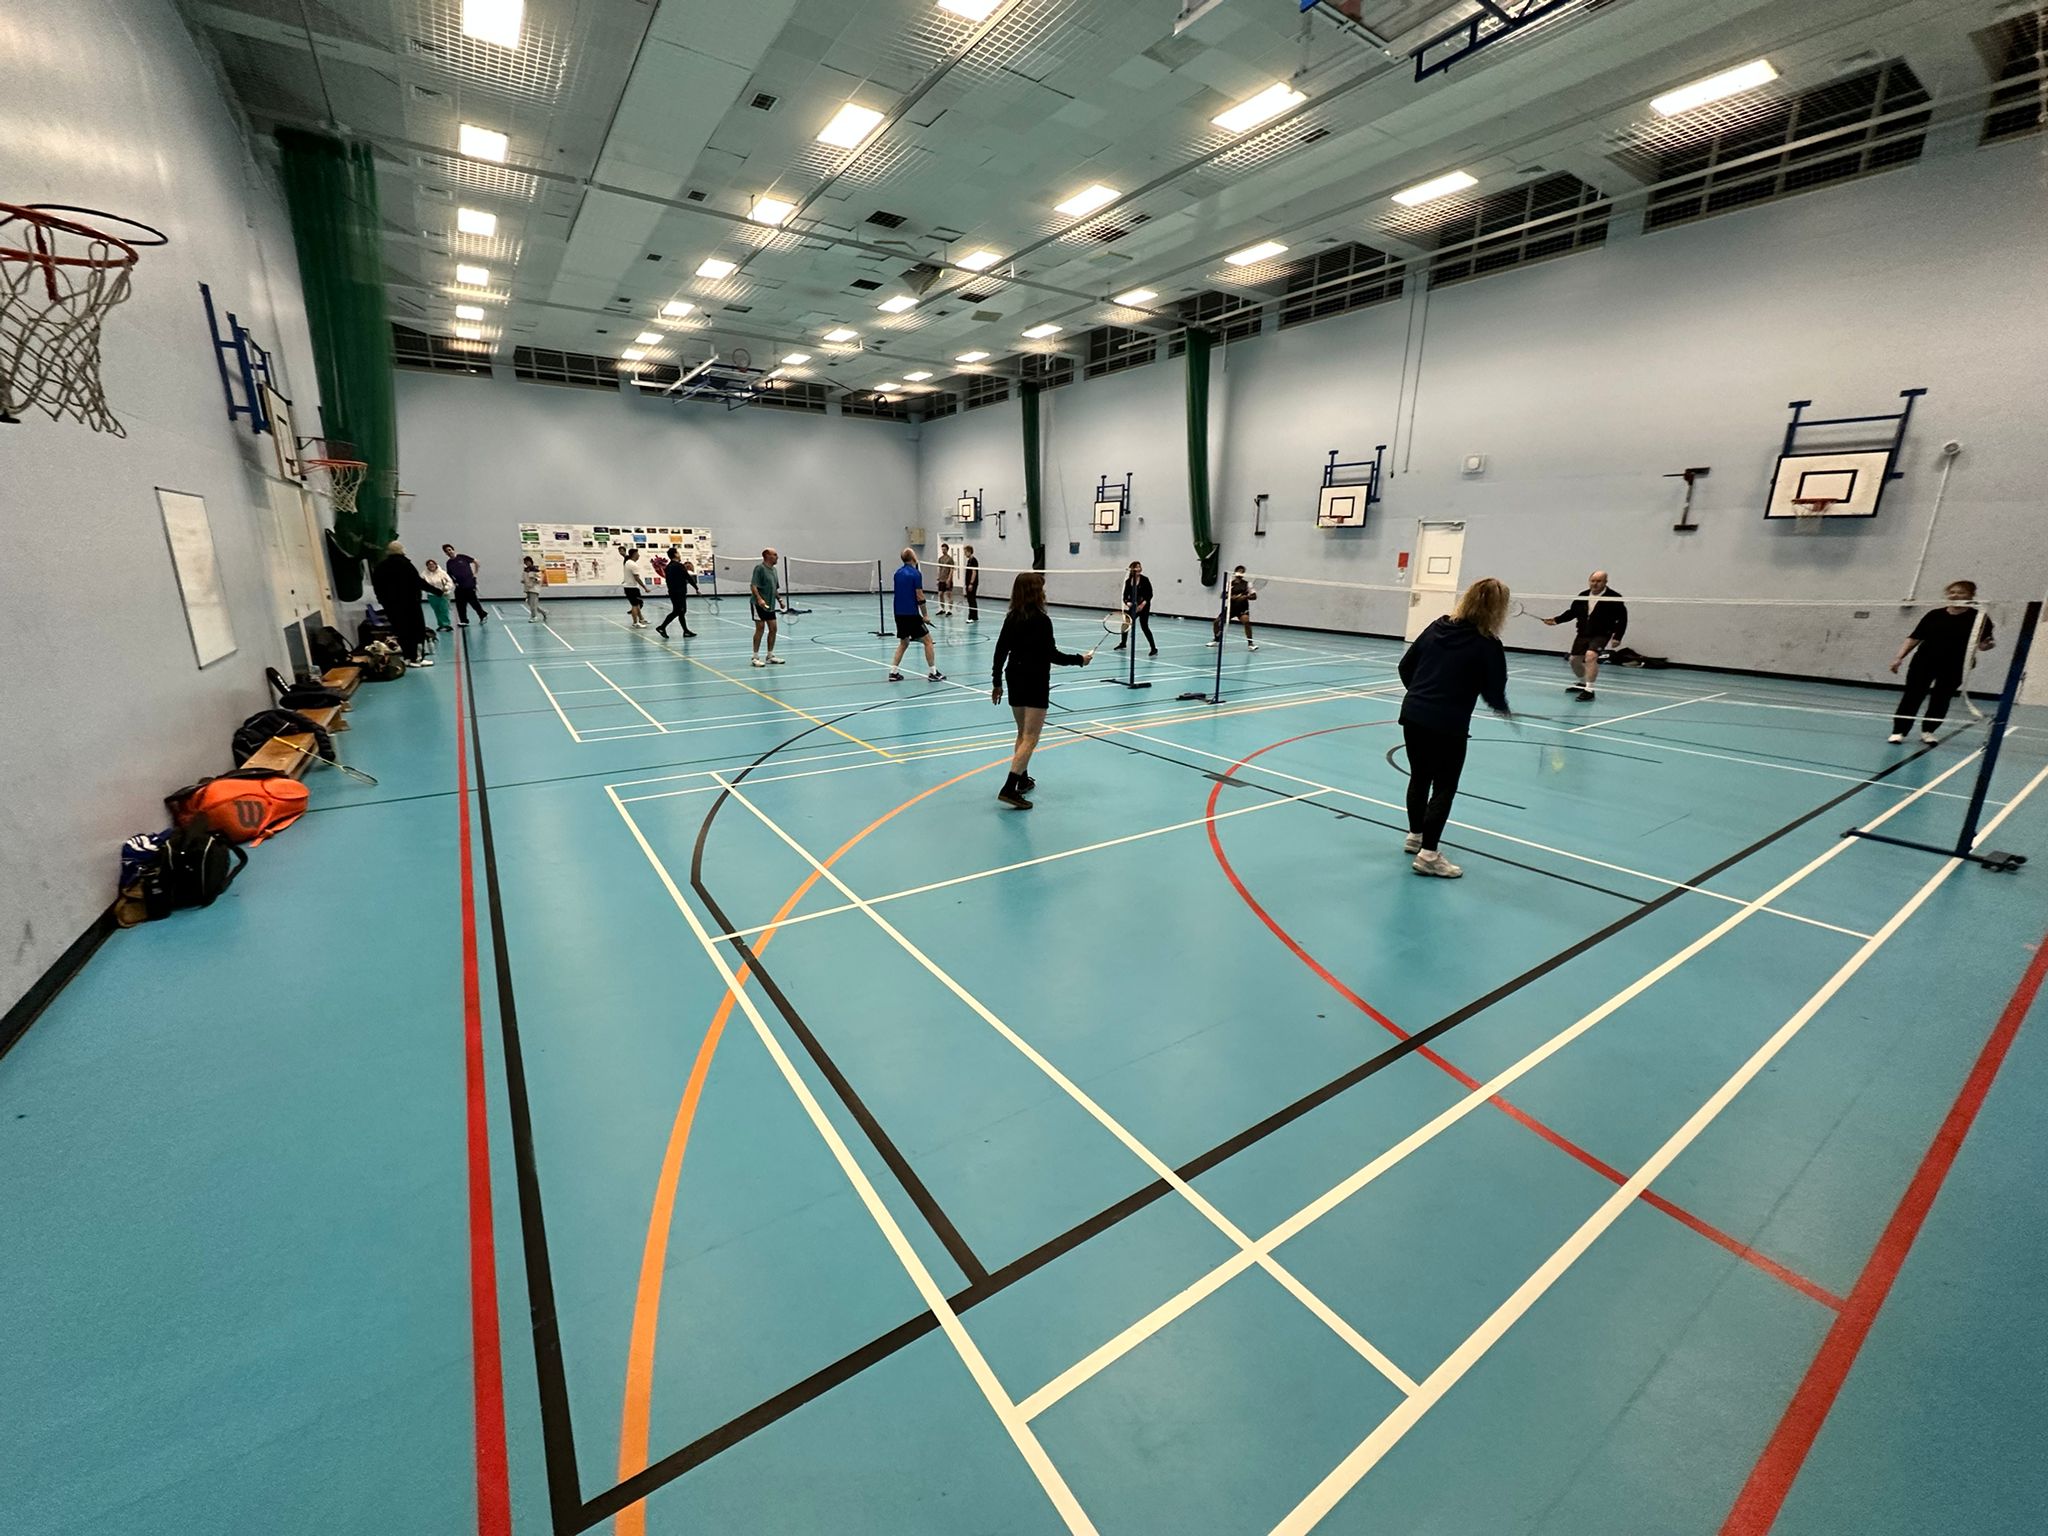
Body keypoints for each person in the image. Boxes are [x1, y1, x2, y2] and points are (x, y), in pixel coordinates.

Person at [1397, 577, 1513, 878]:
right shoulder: (1488, 644)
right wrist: (1503, 708)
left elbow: (1405, 666)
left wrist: (1421, 694)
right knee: (1445, 786)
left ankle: (1416, 836)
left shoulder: (1437, 627)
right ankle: (1429, 855)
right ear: (1498, 609)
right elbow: (1494, 691)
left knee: (1420, 777)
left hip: (1413, 714)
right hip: (1448, 724)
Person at [991, 571, 1093, 808]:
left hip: (1013, 676)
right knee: (1031, 737)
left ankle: (1022, 780)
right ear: (1035, 592)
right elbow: (1052, 655)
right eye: (1041, 588)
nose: (1044, 592)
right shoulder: (1041, 620)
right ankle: (1009, 787)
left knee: (1021, 733)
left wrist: (996, 682)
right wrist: (1080, 659)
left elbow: (1000, 651)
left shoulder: (1012, 617)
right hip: (1034, 680)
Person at [1889, 580, 1994, 744]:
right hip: (1924, 662)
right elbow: (1914, 638)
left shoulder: (1980, 618)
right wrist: (1898, 657)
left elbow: (1982, 645)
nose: (1955, 595)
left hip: (1955, 665)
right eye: (1952, 592)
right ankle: (1899, 731)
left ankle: (1928, 731)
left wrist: (1988, 645)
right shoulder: (1934, 615)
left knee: (1941, 698)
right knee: (1912, 696)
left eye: (1961, 592)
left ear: (1971, 595)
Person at [1542, 569, 1626, 701]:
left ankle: (1589, 690)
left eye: (1599, 581)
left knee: (1590, 656)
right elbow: (1572, 612)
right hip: (1583, 633)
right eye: (1593, 581)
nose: (1595, 584)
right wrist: (1556, 620)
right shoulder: (1583, 595)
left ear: (1605, 582)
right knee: (1574, 661)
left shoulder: (1613, 597)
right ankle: (1582, 683)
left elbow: (1622, 618)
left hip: (1602, 633)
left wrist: (1617, 636)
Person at [370, 540, 437, 667]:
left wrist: (383, 601)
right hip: (410, 604)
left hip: (391, 606)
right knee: (417, 631)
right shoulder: (405, 564)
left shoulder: (380, 567)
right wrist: (437, 591)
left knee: (402, 631)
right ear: (401, 550)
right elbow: (418, 582)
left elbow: (377, 587)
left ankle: (407, 657)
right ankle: (416, 658)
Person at [888, 548, 946, 682]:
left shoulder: (897, 573)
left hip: (898, 613)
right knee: (928, 641)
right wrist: (925, 615)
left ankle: (893, 672)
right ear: (913, 557)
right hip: (911, 614)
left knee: (904, 642)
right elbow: (919, 595)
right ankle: (933, 673)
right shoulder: (915, 574)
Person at [750, 548, 785, 666]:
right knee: (760, 628)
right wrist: (759, 599)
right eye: (775, 555)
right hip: (758, 604)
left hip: (770, 605)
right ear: (767, 556)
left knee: (773, 628)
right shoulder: (759, 568)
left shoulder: (774, 570)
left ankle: (770, 656)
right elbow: (753, 586)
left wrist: (779, 600)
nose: (777, 557)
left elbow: (774, 588)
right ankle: (755, 657)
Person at [1209, 565, 1257, 649]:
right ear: (1235, 572)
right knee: (1216, 622)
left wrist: (1246, 597)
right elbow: (1223, 595)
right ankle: (1216, 639)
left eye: (1242, 572)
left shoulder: (1248, 584)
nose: (1240, 573)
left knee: (1246, 621)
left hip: (1242, 608)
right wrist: (1231, 597)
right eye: (1239, 571)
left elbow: (1254, 596)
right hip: (1231, 608)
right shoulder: (1230, 583)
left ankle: (1250, 643)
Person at [1115, 561, 1157, 655]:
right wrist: (1127, 603)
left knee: (1144, 626)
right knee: (1126, 624)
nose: (1138, 569)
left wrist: (1142, 605)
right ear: (1132, 569)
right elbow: (1125, 595)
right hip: (1133, 606)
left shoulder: (1145, 580)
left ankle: (1153, 648)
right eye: (1136, 567)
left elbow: (1150, 594)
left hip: (1144, 606)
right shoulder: (1128, 581)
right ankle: (1123, 643)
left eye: (1139, 567)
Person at [656, 546, 697, 638]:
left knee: (681, 611)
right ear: (675, 554)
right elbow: (688, 577)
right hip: (679, 592)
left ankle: (686, 631)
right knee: (678, 611)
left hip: (673, 592)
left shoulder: (668, 567)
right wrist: (696, 588)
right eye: (678, 553)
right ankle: (662, 627)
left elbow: (669, 581)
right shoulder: (679, 566)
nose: (679, 554)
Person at [442, 543, 489, 625]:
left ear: (453, 549)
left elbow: (476, 562)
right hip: (459, 585)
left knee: (473, 601)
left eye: (449, 550)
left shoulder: (462, 557)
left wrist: (475, 574)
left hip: (469, 584)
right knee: (460, 604)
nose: (449, 552)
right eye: (446, 551)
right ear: (445, 553)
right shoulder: (449, 563)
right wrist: (454, 582)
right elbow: (449, 574)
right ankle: (464, 620)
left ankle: (482, 615)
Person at [423, 558, 455, 631]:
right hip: (432, 595)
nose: (431, 565)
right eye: (429, 564)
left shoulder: (442, 573)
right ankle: (441, 624)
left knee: (444, 609)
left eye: (432, 564)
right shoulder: (424, 574)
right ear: (427, 566)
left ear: (435, 564)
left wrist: (447, 587)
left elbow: (450, 581)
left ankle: (446, 624)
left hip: (444, 594)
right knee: (437, 610)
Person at [621, 546, 649, 627]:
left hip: (629, 587)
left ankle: (641, 619)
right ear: (634, 554)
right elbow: (637, 578)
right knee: (635, 605)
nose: (639, 555)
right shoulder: (633, 565)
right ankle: (635, 623)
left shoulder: (628, 562)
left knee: (637, 604)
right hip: (632, 588)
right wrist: (645, 587)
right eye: (638, 554)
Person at [518, 556, 546, 623]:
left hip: (534, 589)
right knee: (529, 603)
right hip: (528, 588)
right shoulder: (525, 570)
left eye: (527, 562)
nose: (526, 563)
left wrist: (535, 579)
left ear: (530, 561)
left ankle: (534, 617)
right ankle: (543, 612)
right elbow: (524, 579)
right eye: (525, 562)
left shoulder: (535, 569)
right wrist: (523, 581)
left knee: (533, 603)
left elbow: (539, 579)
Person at [936, 540, 956, 617]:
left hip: (947, 580)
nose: (943, 551)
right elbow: (940, 569)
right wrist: (938, 578)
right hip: (941, 579)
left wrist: (949, 579)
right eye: (942, 549)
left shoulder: (950, 559)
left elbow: (951, 570)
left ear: (947, 550)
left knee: (948, 595)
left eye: (944, 549)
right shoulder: (940, 559)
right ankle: (942, 609)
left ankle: (949, 610)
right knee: (940, 594)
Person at [963, 545, 980, 622]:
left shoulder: (974, 560)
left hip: (972, 584)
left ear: (969, 551)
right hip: (968, 583)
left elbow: (974, 572)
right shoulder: (969, 560)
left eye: (965, 552)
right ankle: (974, 616)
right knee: (970, 599)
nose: (964, 554)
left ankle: (972, 617)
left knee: (972, 599)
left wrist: (971, 583)